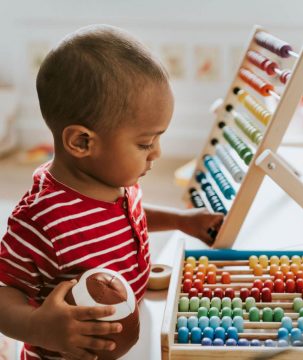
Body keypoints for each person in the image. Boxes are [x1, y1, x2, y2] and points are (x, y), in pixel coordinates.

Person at [0, 25, 224, 360]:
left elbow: (125, 219)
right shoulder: (42, 219)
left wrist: (182, 221)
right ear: (81, 142)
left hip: (129, 333)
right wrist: (38, 327)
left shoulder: (117, 181)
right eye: (145, 143)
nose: (157, 153)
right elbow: (5, 293)